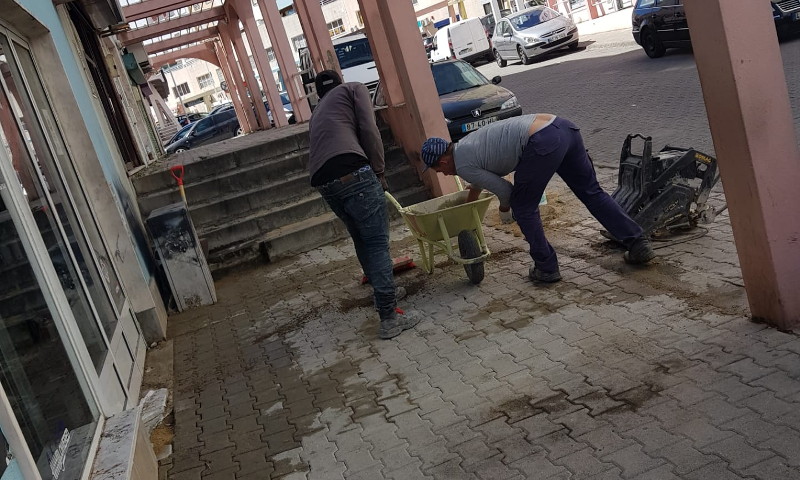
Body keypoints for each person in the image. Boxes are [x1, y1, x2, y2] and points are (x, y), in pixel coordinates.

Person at [420, 114, 655, 283]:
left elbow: (505, 191)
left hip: (541, 144)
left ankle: (546, 267)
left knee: (523, 207)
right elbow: (480, 179)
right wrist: (469, 203)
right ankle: (637, 243)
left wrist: (504, 210)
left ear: (442, 161)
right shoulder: (467, 146)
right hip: (563, 128)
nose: (444, 174)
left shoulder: (461, 164)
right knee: (592, 192)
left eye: (440, 170)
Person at [308, 70, 420, 339]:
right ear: (341, 81)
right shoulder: (354, 89)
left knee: (361, 238)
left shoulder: (317, 113)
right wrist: (379, 171)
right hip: (354, 172)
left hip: (323, 181)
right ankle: (389, 317)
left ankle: (384, 293)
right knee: (377, 244)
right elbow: (369, 129)